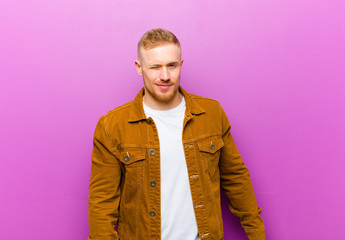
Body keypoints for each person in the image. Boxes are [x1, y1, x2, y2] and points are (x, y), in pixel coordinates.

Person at [88, 28, 265, 240]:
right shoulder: (112, 125)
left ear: (181, 65)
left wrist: (256, 233)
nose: (165, 76)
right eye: (155, 67)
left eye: (171, 65)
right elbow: (102, 203)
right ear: (139, 68)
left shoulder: (211, 114)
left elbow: (236, 178)